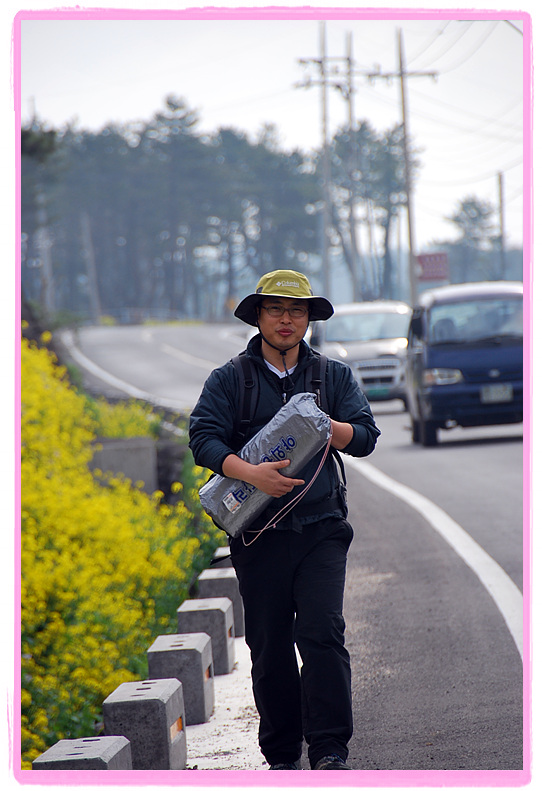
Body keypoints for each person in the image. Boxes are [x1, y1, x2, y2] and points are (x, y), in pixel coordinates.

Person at [189, 270, 380, 770]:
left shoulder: (331, 377)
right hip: (257, 536)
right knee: (270, 647)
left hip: (322, 529)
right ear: (257, 316)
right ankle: (281, 756)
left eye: (297, 311)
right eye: (276, 309)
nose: (287, 320)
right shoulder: (230, 378)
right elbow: (203, 439)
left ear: (310, 320)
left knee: (321, 633)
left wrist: (326, 426)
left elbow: (365, 437)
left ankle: (330, 749)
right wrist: (250, 474)